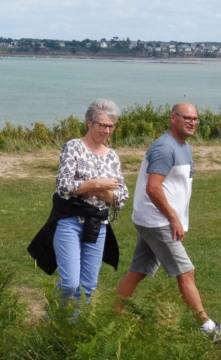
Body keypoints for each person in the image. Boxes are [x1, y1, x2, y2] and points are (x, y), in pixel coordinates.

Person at [115, 103, 220, 337]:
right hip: (157, 220)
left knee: (138, 271)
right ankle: (208, 329)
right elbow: (153, 188)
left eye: (196, 119)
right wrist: (173, 218)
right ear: (173, 118)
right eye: (187, 118)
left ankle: (112, 316)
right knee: (185, 272)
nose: (193, 122)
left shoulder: (184, 146)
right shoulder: (164, 148)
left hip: (155, 219)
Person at [27, 100, 128, 304]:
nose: (107, 130)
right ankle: (54, 319)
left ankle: (74, 329)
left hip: (97, 225)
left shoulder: (112, 157)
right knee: (70, 283)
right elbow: (64, 186)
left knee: (88, 286)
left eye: (111, 126)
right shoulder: (73, 147)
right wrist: (99, 184)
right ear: (89, 123)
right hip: (69, 221)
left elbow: (120, 198)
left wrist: (91, 189)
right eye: (102, 125)